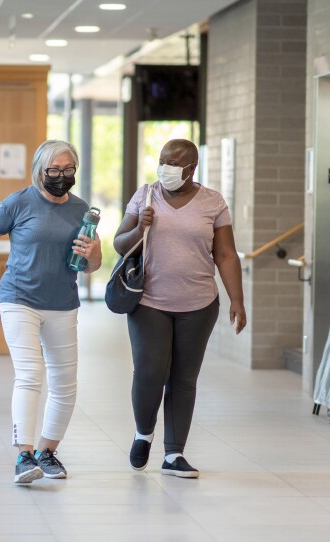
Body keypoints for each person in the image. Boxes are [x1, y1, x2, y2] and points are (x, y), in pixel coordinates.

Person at [0, 140, 101, 484]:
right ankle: (24, 456)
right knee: (30, 374)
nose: (61, 176)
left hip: (62, 301)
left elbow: (91, 267)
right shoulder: (19, 202)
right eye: (54, 171)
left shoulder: (81, 209)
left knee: (65, 383)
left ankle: (47, 451)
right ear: (39, 171)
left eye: (68, 170)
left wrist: (95, 251)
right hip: (19, 298)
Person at [113, 138, 247, 479]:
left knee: (184, 379)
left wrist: (238, 300)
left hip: (199, 304)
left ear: (191, 167)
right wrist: (141, 226)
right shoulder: (144, 195)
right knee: (150, 372)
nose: (165, 168)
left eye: (174, 163)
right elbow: (119, 243)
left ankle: (174, 454)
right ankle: (144, 433)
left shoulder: (213, 202)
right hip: (149, 302)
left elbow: (226, 254)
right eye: (162, 160)